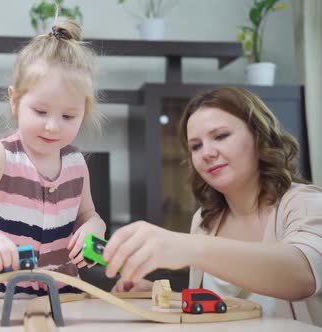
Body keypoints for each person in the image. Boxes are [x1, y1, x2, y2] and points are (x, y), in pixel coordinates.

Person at [104, 87, 322, 325]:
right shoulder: (206, 219)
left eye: (220, 136)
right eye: (195, 146)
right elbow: (218, 307)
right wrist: (157, 294)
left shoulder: (305, 203)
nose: (206, 153)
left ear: (258, 136)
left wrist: (189, 247)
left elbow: (303, 274)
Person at [0, 21, 107, 298]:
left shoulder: (77, 164)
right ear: (14, 100)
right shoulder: (0, 155)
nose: (53, 126)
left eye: (68, 116)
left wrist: (95, 227)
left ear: (84, 111)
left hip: (59, 288)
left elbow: (87, 215)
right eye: (40, 111)